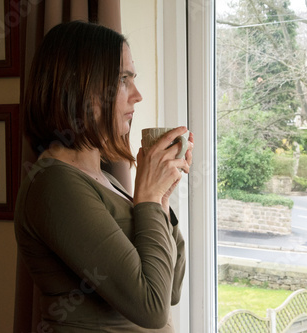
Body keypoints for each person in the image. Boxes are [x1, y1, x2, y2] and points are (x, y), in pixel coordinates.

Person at [14, 21, 193, 333]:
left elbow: (170, 290)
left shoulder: (105, 179)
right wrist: (148, 198)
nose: (137, 95)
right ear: (76, 86)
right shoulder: (53, 184)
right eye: (122, 80)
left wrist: (160, 199)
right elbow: (150, 308)